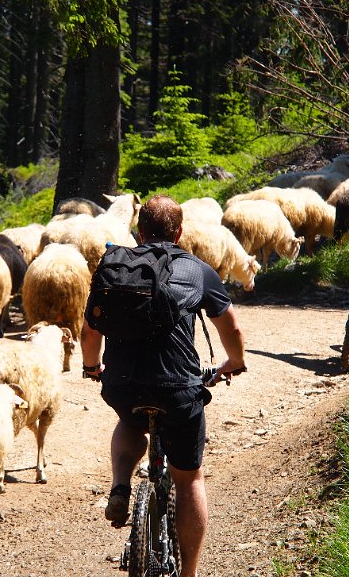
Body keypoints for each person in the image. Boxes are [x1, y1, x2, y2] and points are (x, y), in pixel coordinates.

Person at [80, 194, 246, 577]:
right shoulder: (197, 269)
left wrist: (92, 368)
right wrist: (234, 363)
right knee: (189, 480)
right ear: (180, 231)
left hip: (122, 385)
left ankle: (121, 486)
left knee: (129, 420)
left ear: (139, 231)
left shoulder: (115, 266)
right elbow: (231, 328)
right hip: (178, 388)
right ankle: (189, 573)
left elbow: (91, 330)